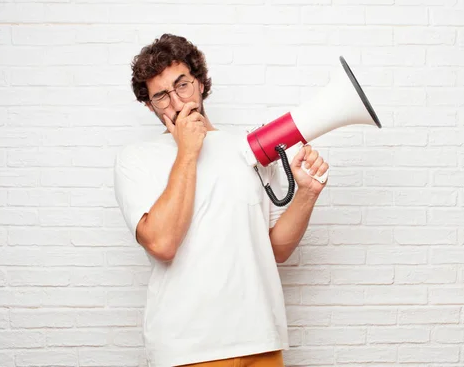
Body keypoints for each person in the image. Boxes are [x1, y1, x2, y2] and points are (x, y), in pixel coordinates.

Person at [113, 33, 329, 367]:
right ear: (148, 105)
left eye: (182, 84)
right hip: (188, 347)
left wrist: (307, 194)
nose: (176, 101)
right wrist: (188, 150)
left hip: (261, 339)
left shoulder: (250, 148)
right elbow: (162, 243)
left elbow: (276, 250)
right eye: (161, 96)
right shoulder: (136, 159)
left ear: (199, 82)